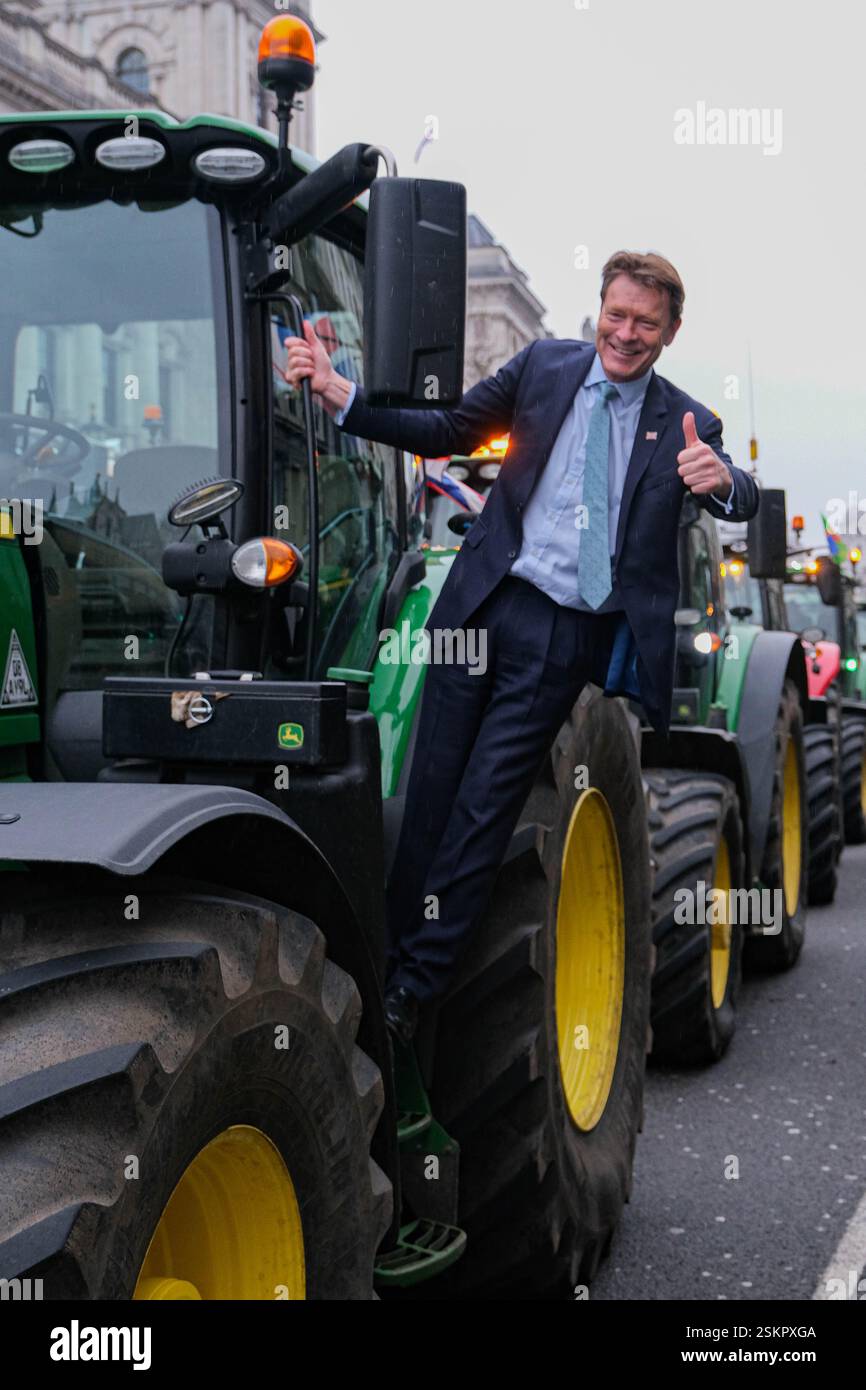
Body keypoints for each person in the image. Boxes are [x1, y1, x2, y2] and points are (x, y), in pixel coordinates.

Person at [284, 250, 760, 1044]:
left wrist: (721, 481)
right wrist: (342, 396)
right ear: (600, 309)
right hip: (481, 606)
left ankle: (413, 995)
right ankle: (380, 967)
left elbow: (739, 489)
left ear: (671, 331)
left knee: (482, 812)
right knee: (427, 796)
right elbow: (447, 429)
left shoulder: (685, 422)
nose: (627, 333)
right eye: (617, 314)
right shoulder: (545, 366)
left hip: (561, 634)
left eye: (646, 322)